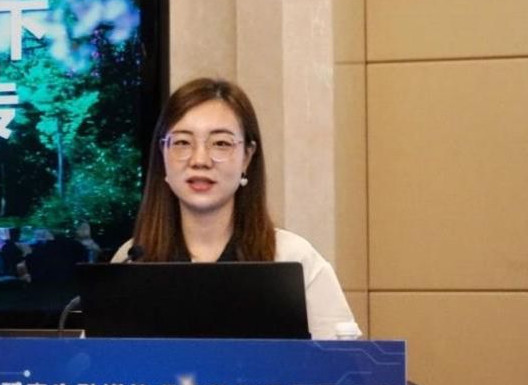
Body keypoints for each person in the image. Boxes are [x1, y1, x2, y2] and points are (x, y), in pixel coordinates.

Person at [112, 77, 360, 340]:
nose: (199, 160)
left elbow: (341, 361)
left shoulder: (293, 258)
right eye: (182, 142)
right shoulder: (132, 260)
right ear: (162, 153)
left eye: (221, 143)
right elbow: (101, 359)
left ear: (247, 157)